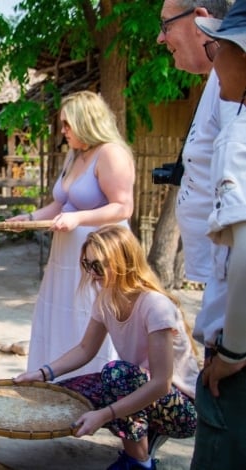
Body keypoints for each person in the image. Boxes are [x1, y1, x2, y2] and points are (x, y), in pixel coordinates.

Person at [14, 225, 200, 470]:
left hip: (183, 408)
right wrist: (42, 374)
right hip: (139, 385)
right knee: (64, 395)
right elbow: (85, 349)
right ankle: (144, 436)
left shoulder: (155, 305)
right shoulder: (106, 298)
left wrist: (105, 414)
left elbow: (161, 383)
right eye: (86, 264)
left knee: (116, 374)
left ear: (123, 262)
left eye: (98, 266)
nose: (92, 273)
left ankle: (140, 462)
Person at [7, 90, 135, 380]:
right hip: (65, 256)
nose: (63, 131)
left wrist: (79, 219)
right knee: (62, 315)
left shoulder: (111, 153)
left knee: (89, 315)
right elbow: (61, 205)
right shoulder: (74, 155)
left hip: (99, 256)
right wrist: (29, 219)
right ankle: (58, 380)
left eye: (67, 124)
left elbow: (123, 207)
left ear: (86, 122)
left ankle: (94, 382)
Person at [157, 0, 235, 354]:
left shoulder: (234, 82)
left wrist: (231, 343)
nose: (161, 38)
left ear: (201, 20)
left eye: (167, 25)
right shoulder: (220, 79)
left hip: (232, 306)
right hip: (223, 288)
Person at [191, 4, 246, 467]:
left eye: (219, 48)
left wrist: (232, 350)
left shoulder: (239, 135)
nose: (214, 62)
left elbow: (244, 252)